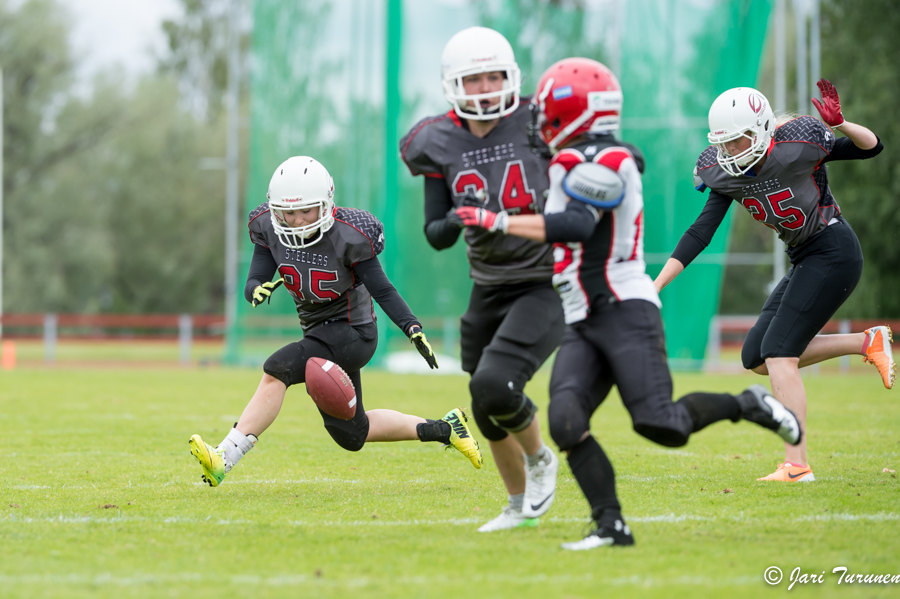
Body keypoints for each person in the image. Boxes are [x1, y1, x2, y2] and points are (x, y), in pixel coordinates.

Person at [453, 57, 802, 550]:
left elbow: (575, 226)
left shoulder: (611, 162)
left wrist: (497, 222)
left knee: (661, 425)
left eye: (550, 115)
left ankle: (747, 404)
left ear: (575, 115)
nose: (541, 125)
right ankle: (610, 524)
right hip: (581, 315)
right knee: (566, 420)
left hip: (624, 310)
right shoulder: (571, 161)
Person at [189, 156, 483, 487]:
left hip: (355, 334)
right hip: (319, 334)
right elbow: (256, 275)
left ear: (326, 204)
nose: (297, 220)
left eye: (306, 211)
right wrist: (255, 288)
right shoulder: (268, 228)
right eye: (288, 212)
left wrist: (412, 327)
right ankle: (447, 428)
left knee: (278, 367)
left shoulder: (350, 235)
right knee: (352, 434)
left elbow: (382, 290)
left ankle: (224, 457)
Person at [653, 79, 892, 482]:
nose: (730, 152)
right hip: (804, 257)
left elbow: (872, 147)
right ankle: (864, 342)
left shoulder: (796, 147)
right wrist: (654, 286)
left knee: (780, 353)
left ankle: (797, 465)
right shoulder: (725, 174)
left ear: (762, 129)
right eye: (724, 144)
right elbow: (700, 233)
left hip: (833, 249)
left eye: (738, 140)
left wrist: (843, 123)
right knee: (757, 358)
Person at [399, 26, 565, 532]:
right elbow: (436, 234)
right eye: (475, 79)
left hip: (545, 280)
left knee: (497, 384)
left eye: (495, 75)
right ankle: (517, 506)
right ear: (454, 85)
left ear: (511, 76)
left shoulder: (540, 121)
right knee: (485, 405)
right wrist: (456, 217)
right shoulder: (436, 141)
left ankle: (540, 458)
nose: (487, 87)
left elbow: (595, 157)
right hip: (488, 285)